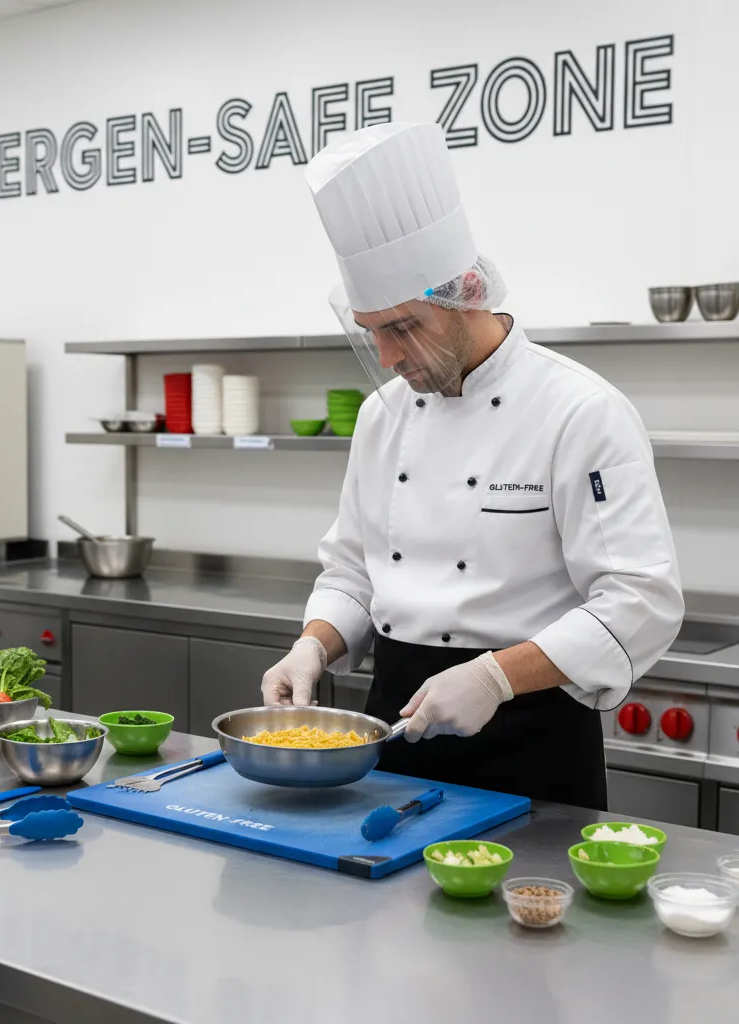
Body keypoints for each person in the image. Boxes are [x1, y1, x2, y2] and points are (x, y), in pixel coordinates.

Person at [261, 121, 683, 808]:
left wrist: (494, 677)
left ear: (467, 293)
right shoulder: (382, 416)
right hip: (393, 732)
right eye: (373, 334)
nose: (389, 359)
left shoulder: (580, 411)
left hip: (530, 735)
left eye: (402, 328)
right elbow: (353, 573)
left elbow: (640, 602)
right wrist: (314, 644)